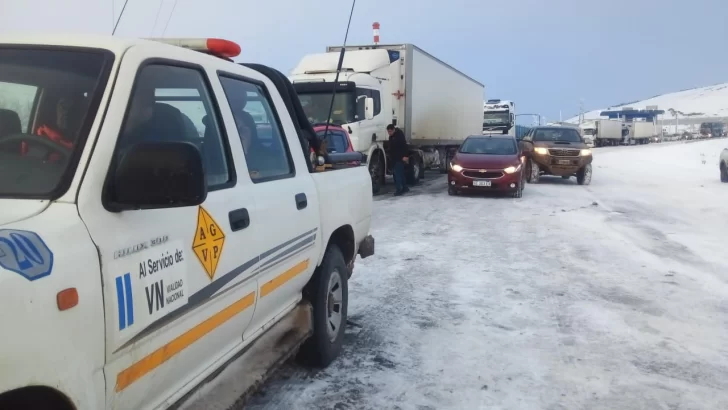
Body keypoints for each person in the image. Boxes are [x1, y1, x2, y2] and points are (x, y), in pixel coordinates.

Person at [386, 124, 409, 196]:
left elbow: (404, 146)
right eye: (388, 132)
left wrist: (405, 155)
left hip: (399, 158)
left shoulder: (399, 136)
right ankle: (405, 187)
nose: (389, 133)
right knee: (400, 173)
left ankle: (399, 189)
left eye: (390, 131)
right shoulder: (392, 137)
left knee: (397, 174)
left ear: (393, 130)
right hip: (394, 158)